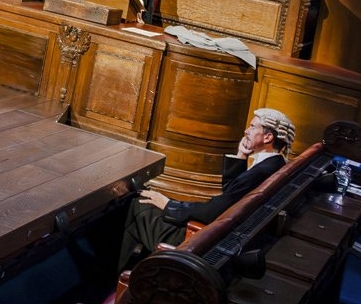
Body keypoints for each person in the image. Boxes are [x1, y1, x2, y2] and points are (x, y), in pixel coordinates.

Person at [120, 108, 297, 267]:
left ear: (267, 137)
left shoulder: (264, 170)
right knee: (143, 209)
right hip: (219, 234)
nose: (246, 131)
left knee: (138, 205)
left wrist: (170, 205)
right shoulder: (274, 164)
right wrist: (241, 155)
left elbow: (215, 210)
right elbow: (232, 194)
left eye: (252, 127)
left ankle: (116, 283)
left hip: (202, 241)